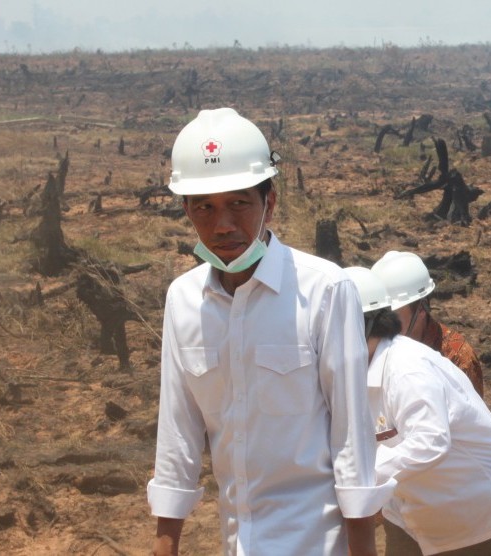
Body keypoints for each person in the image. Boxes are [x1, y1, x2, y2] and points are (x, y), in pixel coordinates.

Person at [147, 108, 392, 556]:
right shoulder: (183, 300)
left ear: (269, 203)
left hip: (317, 540)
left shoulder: (324, 290)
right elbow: (177, 433)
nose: (222, 225)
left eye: (239, 204)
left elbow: (351, 434)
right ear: (185, 210)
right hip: (238, 539)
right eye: (204, 207)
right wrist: (165, 546)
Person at [344, 267, 491, 556]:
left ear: (359, 327)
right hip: (410, 512)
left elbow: (430, 441)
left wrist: (359, 477)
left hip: (478, 509)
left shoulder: (407, 369)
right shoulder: (347, 367)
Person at [371, 251, 484, 397]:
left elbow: (472, 417)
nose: (383, 323)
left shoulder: (456, 357)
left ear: (422, 309)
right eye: (379, 314)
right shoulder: (373, 349)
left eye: (391, 314)